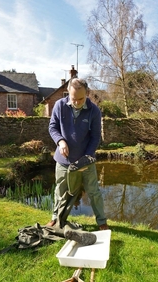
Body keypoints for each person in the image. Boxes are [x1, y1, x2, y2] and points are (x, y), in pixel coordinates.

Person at [47, 77, 109, 230]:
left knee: (94, 192)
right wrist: (60, 141)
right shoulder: (59, 106)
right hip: (63, 160)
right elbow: (53, 127)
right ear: (68, 92)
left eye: (81, 99)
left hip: (86, 160)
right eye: (74, 98)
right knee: (60, 190)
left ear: (87, 93)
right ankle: (56, 218)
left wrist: (86, 158)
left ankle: (102, 222)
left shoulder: (94, 111)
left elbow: (95, 137)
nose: (77, 102)